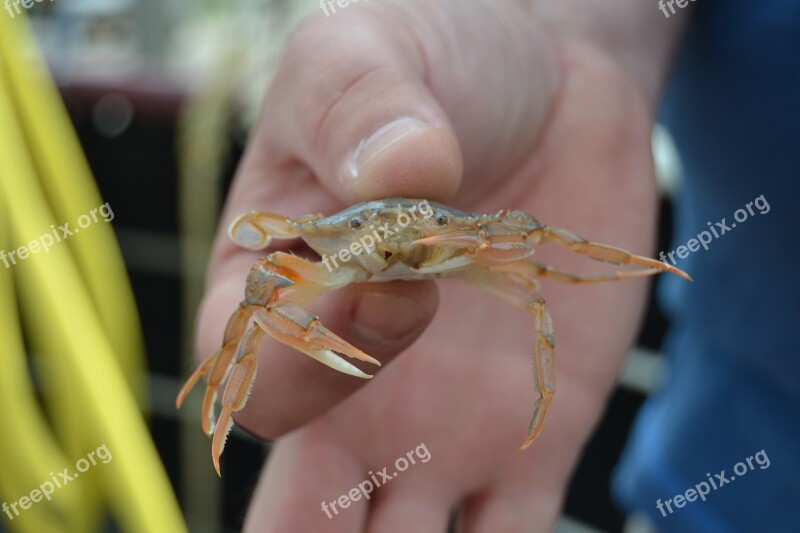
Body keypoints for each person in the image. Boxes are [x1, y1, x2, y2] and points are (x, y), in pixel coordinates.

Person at [193, 1, 797, 530]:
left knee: (536, 287)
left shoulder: (465, 245)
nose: (396, 243)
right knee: (260, 296)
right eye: (378, 235)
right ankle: (218, 419)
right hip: (725, 468)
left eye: (412, 231)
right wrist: (572, 50)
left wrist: (608, 270)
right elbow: (258, 279)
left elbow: (544, 261)